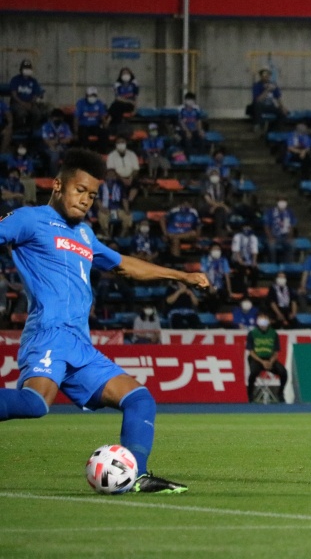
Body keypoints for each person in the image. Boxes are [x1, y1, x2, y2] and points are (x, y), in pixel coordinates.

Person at [0, 148, 209, 493]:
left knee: (139, 398)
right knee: (35, 404)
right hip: (49, 334)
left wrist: (181, 276)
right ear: (57, 185)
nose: (85, 199)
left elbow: (125, 265)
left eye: (92, 195)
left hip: (80, 345)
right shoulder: (29, 219)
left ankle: (137, 475)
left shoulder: (84, 234)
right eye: (79, 190)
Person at [246, 312, 286, 403]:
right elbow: (251, 352)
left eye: (265, 319)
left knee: (283, 372)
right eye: (261, 319)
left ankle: (280, 393)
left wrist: (271, 361)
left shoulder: (273, 333)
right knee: (253, 373)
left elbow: (276, 352)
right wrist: (262, 362)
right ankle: (250, 395)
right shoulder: (252, 333)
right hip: (257, 359)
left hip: (270, 359)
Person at [8, 59, 45, 129]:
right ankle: (19, 129)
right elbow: (14, 95)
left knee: (37, 114)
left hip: (30, 103)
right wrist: (23, 103)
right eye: (25, 68)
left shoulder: (33, 81)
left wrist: (30, 103)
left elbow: (35, 94)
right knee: (21, 114)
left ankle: (31, 129)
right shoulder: (15, 79)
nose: (27, 70)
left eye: (28, 68)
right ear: (21, 69)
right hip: (17, 103)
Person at [96, 168, 133, 238]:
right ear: (105, 176)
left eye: (113, 175)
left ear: (116, 177)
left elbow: (124, 199)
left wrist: (127, 209)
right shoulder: (100, 186)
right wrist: (101, 208)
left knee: (128, 216)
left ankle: (122, 235)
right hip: (105, 208)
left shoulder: (120, 186)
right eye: (109, 175)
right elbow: (97, 199)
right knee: (102, 217)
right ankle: (107, 235)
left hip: (118, 208)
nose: (111, 177)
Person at [262, 196, 297, 264]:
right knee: (272, 246)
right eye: (281, 201)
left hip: (285, 236)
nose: (282, 203)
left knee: (292, 244)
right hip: (273, 235)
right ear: (277, 202)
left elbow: (291, 226)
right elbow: (266, 226)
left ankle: (288, 264)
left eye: (284, 201)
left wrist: (290, 237)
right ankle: (272, 263)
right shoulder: (270, 211)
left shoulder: (289, 212)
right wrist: (270, 238)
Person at [73, 86, 109, 151]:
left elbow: (103, 117)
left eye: (94, 95)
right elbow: (76, 118)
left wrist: (105, 127)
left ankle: (102, 152)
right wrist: (76, 132)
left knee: (104, 133)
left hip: (95, 126)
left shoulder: (99, 103)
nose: (92, 97)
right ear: (86, 95)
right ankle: (85, 150)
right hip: (84, 126)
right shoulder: (80, 103)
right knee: (83, 134)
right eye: (90, 95)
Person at [250, 67, 285, 132]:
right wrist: (267, 90)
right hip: (261, 106)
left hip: (270, 106)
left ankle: (274, 129)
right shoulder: (257, 85)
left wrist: (282, 107)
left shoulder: (273, 85)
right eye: (264, 75)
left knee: (282, 113)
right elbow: (258, 100)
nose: (267, 77)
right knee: (257, 105)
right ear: (261, 76)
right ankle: (258, 125)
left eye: (268, 75)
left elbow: (278, 98)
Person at [41, 108, 73, 176]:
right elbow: (47, 141)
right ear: (52, 118)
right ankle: (54, 176)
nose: (58, 119)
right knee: (55, 156)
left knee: (70, 156)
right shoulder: (46, 126)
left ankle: (68, 176)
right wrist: (57, 144)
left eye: (60, 117)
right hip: (49, 148)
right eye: (56, 117)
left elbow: (68, 140)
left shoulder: (65, 126)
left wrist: (57, 141)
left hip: (63, 148)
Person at [231, 224, 259, 293]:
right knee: (241, 270)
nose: (247, 228)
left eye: (248, 227)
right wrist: (241, 262)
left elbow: (254, 251)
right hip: (237, 260)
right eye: (245, 227)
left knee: (255, 270)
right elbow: (236, 251)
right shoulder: (237, 236)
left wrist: (254, 262)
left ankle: (253, 288)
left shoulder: (253, 237)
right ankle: (241, 289)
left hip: (249, 260)